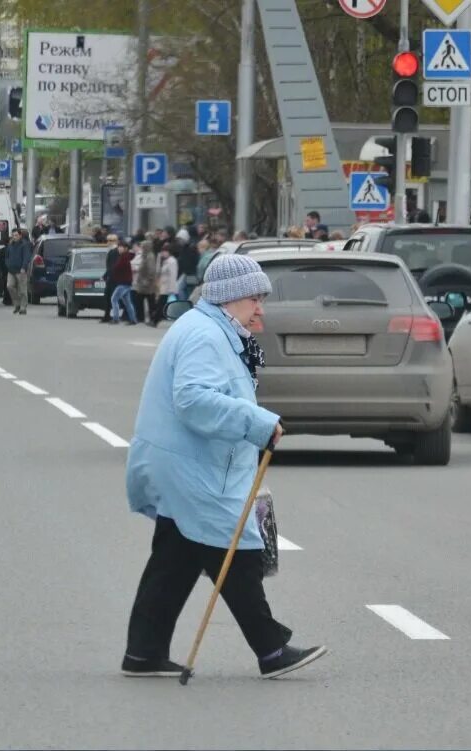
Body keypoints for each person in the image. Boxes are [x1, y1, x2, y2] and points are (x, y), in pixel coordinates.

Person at [122, 254, 327, 679]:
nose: (260, 308)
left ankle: (143, 653)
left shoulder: (213, 330)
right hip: (193, 468)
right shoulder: (204, 336)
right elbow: (193, 399)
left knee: (174, 559)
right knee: (238, 554)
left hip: (188, 462)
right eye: (255, 298)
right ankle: (271, 650)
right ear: (230, 298)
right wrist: (258, 422)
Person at [6, 228, 33, 315]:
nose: (14, 237)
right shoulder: (10, 244)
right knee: (10, 286)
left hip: (21, 270)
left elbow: (27, 257)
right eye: (13, 235)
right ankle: (17, 304)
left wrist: (24, 267)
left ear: (20, 235)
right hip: (11, 270)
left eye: (16, 235)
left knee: (22, 289)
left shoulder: (24, 245)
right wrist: (8, 264)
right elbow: (7, 256)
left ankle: (23, 307)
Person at [110, 239, 137, 325]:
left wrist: (113, 272)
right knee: (127, 302)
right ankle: (133, 319)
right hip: (126, 282)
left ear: (125, 248)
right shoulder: (126, 256)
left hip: (123, 282)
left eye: (121, 247)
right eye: (118, 247)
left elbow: (118, 268)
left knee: (114, 299)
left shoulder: (124, 257)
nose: (119, 249)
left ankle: (116, 318)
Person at [153, 240, 179, 326]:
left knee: (161, 304)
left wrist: (172, 289)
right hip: (162, 286)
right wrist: (158, 259)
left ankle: (156, 320)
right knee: (161, 304)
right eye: (162, 251)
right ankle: (157, 319)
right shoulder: (164, 260)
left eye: (165, 251)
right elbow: (158, 271)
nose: (163, 253)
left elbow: (173, 275)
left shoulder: (172, 261)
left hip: (167, 287)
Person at [99, 235, 120, 323]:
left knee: (112, 298)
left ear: (115, 241)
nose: (108, 242)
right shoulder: (111, 251)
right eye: (107, 240)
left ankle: (112, 316)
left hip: (113, 278)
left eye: (110, 240)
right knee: (108, 297)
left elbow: (112, 266)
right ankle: (107, 315)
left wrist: (106, 276)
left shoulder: (115, 252)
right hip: (110, 278)